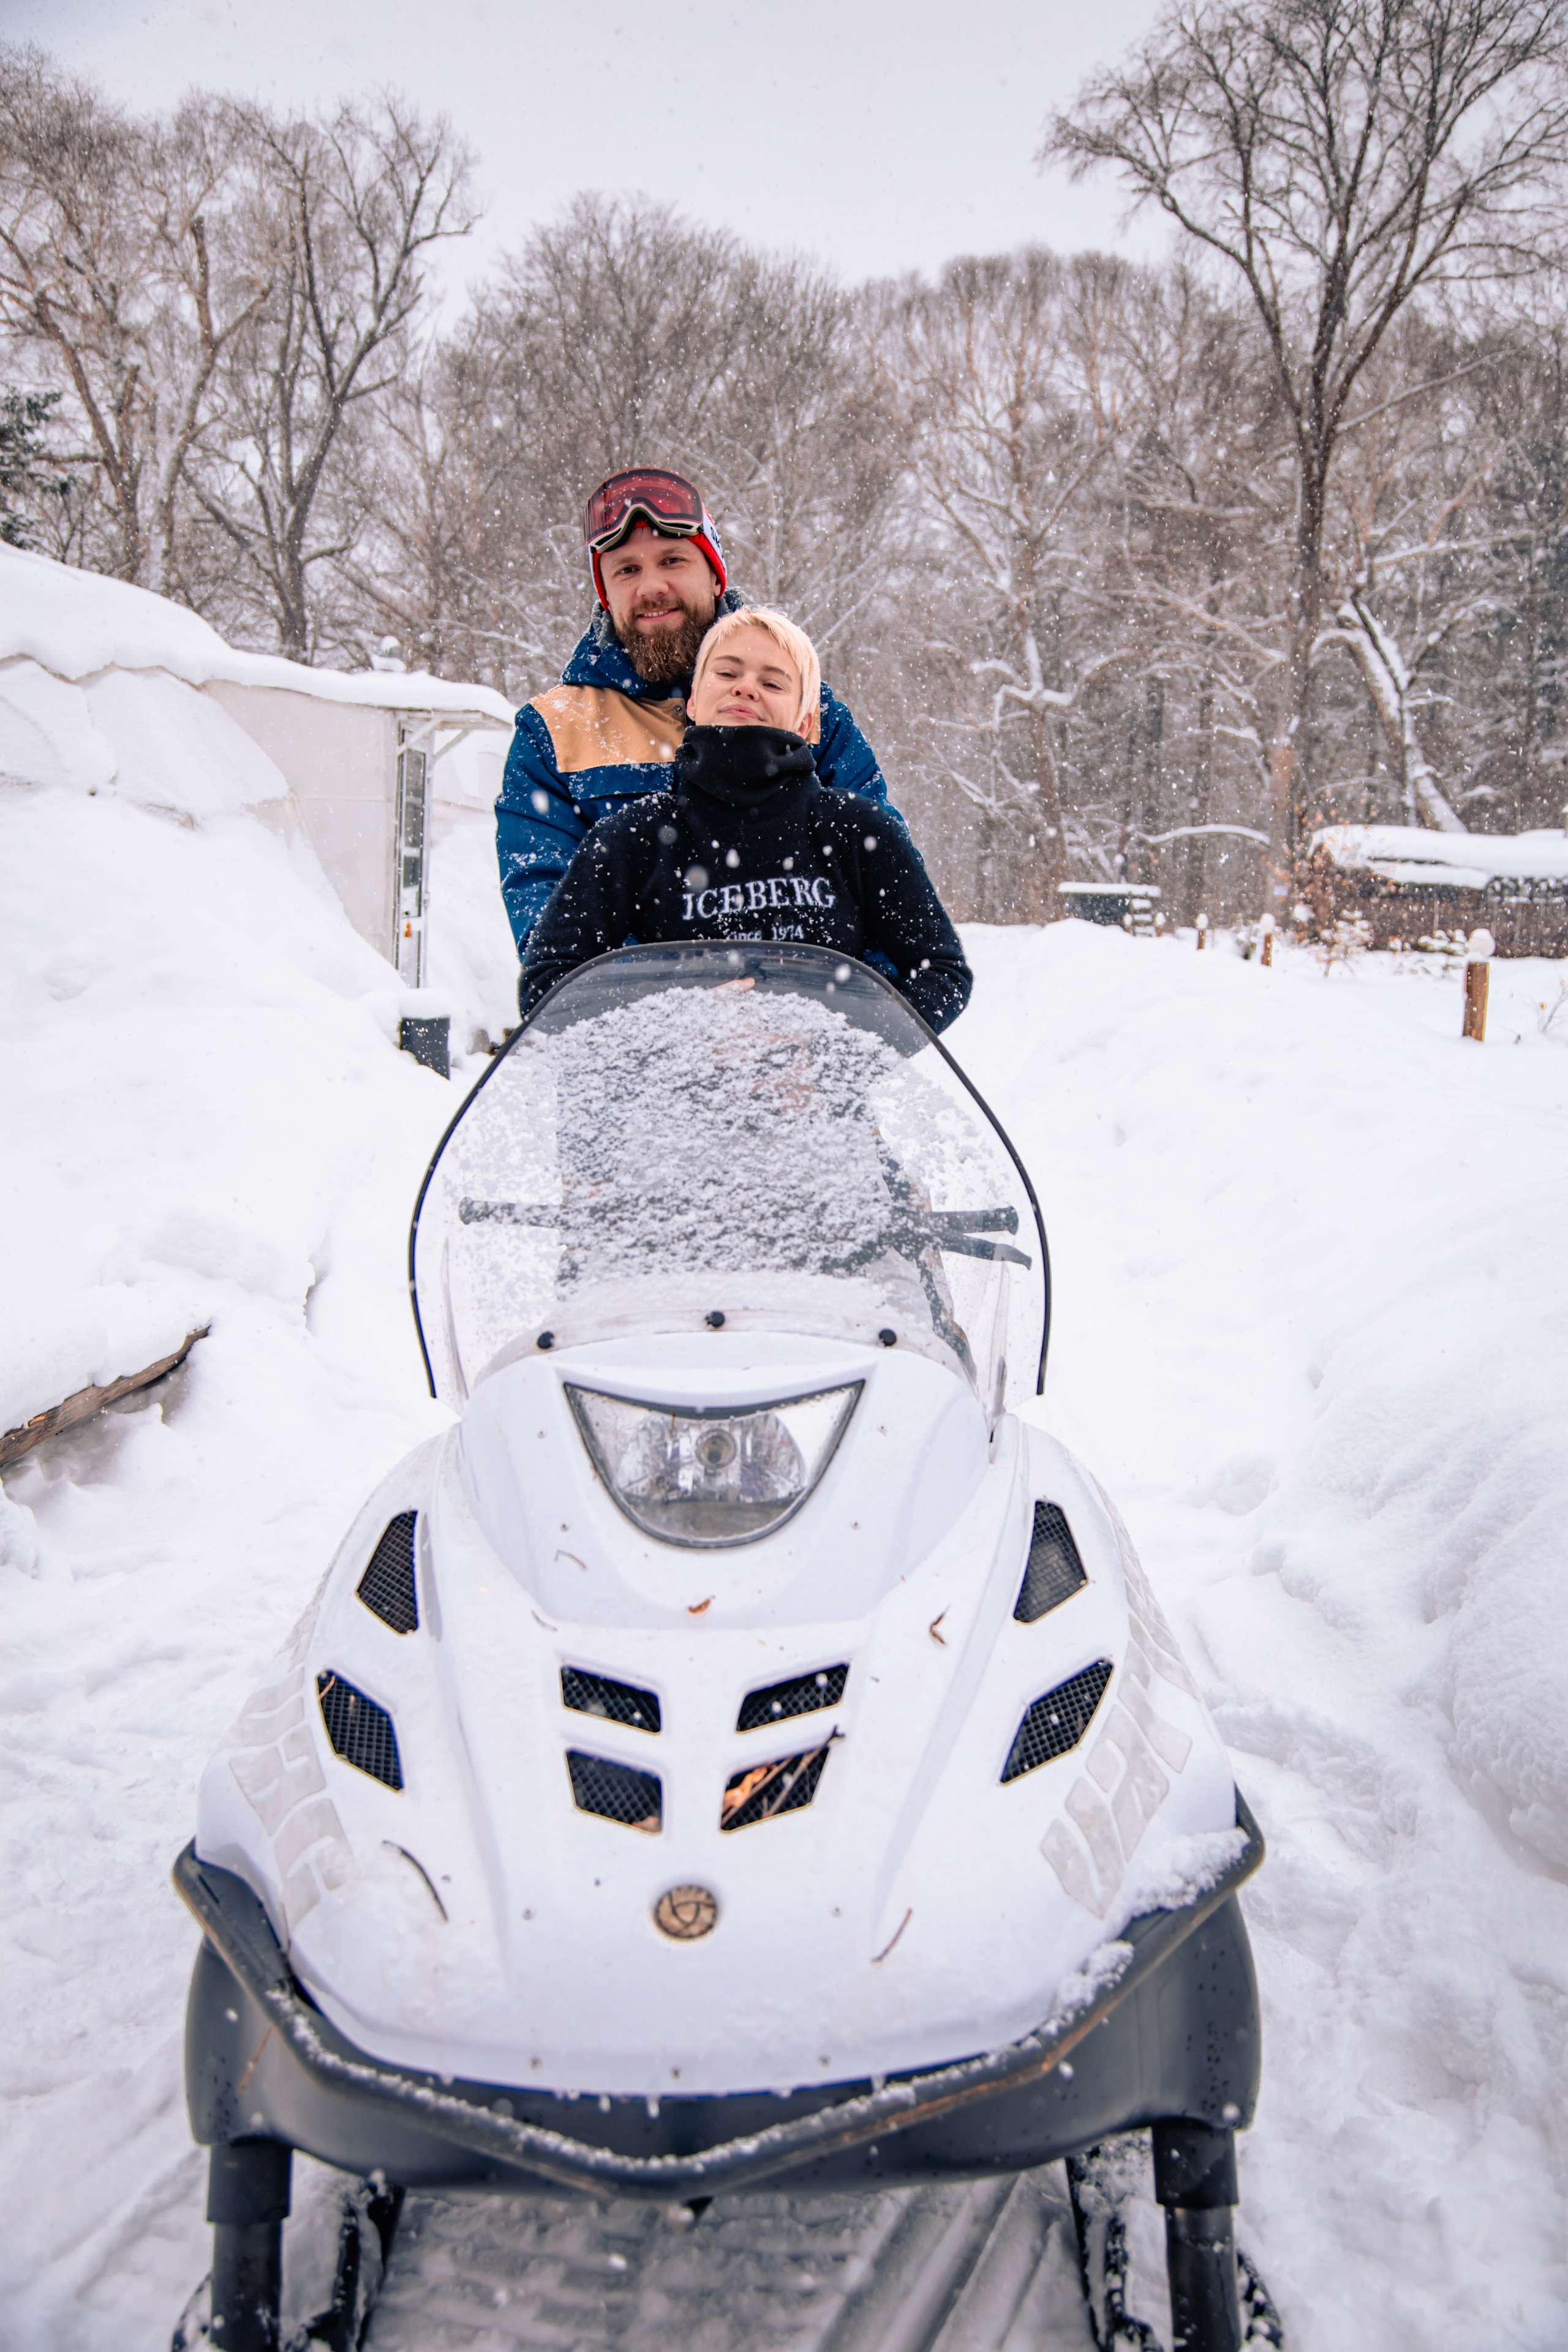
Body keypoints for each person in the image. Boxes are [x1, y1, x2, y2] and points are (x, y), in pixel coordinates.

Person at [494, 467, 899, 959]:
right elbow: (553, 934)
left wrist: (804, 1009)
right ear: (606, 593)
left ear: (714, 576)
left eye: (672, 560)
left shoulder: (808, 711)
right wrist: (686, 1005)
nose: (651, 587)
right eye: (627, 570)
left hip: (805, 1020)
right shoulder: (554, 733)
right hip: (638, 1031)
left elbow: (886, 898)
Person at [519, 606, 971, 1033]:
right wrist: (677, 1025)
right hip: (668, 1109)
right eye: (727, 672)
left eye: (773, 684)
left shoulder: (856, 829)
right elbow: (547, 983)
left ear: (806, 721)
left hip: (823, 1108)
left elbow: (942, 974)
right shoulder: (635, 836)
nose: (746, 688)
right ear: (694, 700)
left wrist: (833, 1048)